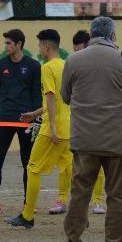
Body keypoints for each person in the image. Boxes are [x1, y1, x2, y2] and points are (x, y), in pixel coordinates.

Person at [59, 16, 122, 242]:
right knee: (117, 197)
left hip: (83, 140)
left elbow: (66, 96)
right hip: (117, 141)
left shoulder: (73, 60)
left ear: (91, 35)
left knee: (79, 195)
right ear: (113, 36)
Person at [5, 29, 73, 228]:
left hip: (53, 128)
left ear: (46, 46)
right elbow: (63, 99)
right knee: (71, 170)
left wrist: (50, 126)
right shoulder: (66, 65)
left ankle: (27, 216)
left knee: (33, 168)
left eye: (39, 46)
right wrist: (35, 114)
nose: (39, 50)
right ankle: (79, 214)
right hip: (70, 127)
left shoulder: (48, 67)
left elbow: (51, 97)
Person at [0, 29, 41, 215]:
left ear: (19, 44)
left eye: (9, 43)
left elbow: (36, 94)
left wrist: (36, 119)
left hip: (26, 121)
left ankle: (28, 203)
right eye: (5, 43)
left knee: (28, 164)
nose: (6, 46)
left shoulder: (33, 66)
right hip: (5, 120)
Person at [72, 30, 109, 214]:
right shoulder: (73, 65)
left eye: (81, 49)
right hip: (80, 123)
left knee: (99, 163)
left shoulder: (101, 65)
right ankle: (81, 202)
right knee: (79, 166)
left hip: (99, 122)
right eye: (76, 51)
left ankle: (98, 201)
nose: (79, 54)